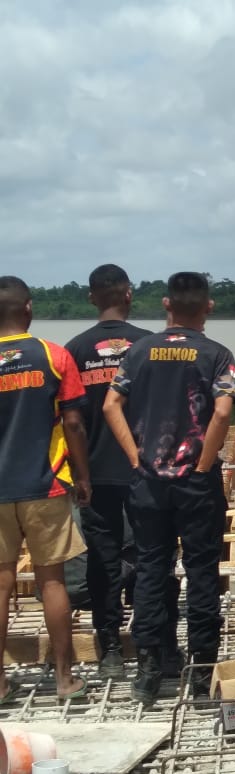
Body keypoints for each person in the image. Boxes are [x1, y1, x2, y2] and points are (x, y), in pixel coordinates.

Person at [103, 272, 235, 705]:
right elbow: (221, 414)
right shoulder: (217, 354)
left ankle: (149, 669)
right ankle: (201, 673)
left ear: (166, 304)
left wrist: (134, 458)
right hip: (196, 487)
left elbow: (111, 405)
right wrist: (201, 466)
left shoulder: (139, 352)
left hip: (148, 482)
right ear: (209, 306)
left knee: (150, 569)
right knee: (201, 573)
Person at [65, 265, 182, 680]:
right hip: (148, 471)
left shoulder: (74, 351)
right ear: (129, 295)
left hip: (95, 474)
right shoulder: (149, 345)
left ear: (91, 296)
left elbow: (71, 421)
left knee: (104, 559)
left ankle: (111, 647)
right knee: (157, 556)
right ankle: (163, 645)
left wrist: (79, 474)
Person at [0, 276, 90, 700]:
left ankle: (0, 683)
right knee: (52, 582)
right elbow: (73, 421)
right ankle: (64, 679)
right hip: (46, 485)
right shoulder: (53, 356)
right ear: (29, 309)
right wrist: (83, 476)